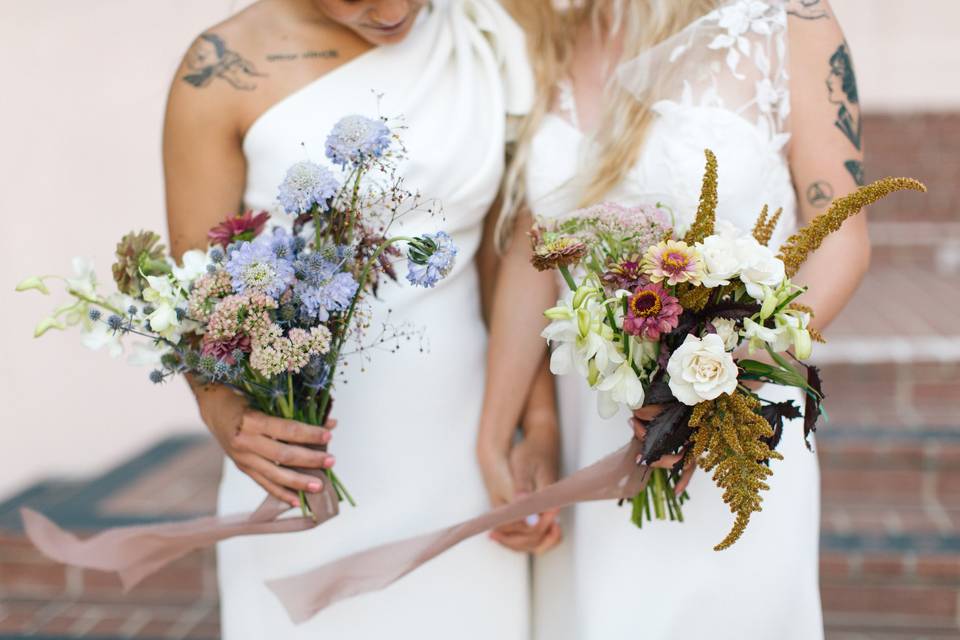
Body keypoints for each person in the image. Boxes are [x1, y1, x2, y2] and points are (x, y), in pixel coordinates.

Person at [480, 0, 870, 637]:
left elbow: (843, 240)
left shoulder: (788, 23)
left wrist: (707, 387)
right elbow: (536, 257)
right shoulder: (542, 33)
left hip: (734, 437)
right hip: (594, 439)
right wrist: (517, 430)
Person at [164, 0, 551, 636]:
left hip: (465, 448)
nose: (393, 9)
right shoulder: (218, 70)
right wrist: (224, 412)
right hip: (304, 452)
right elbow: (196, 294)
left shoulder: (485, 35)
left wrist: (535, 425)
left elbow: (502, 257)